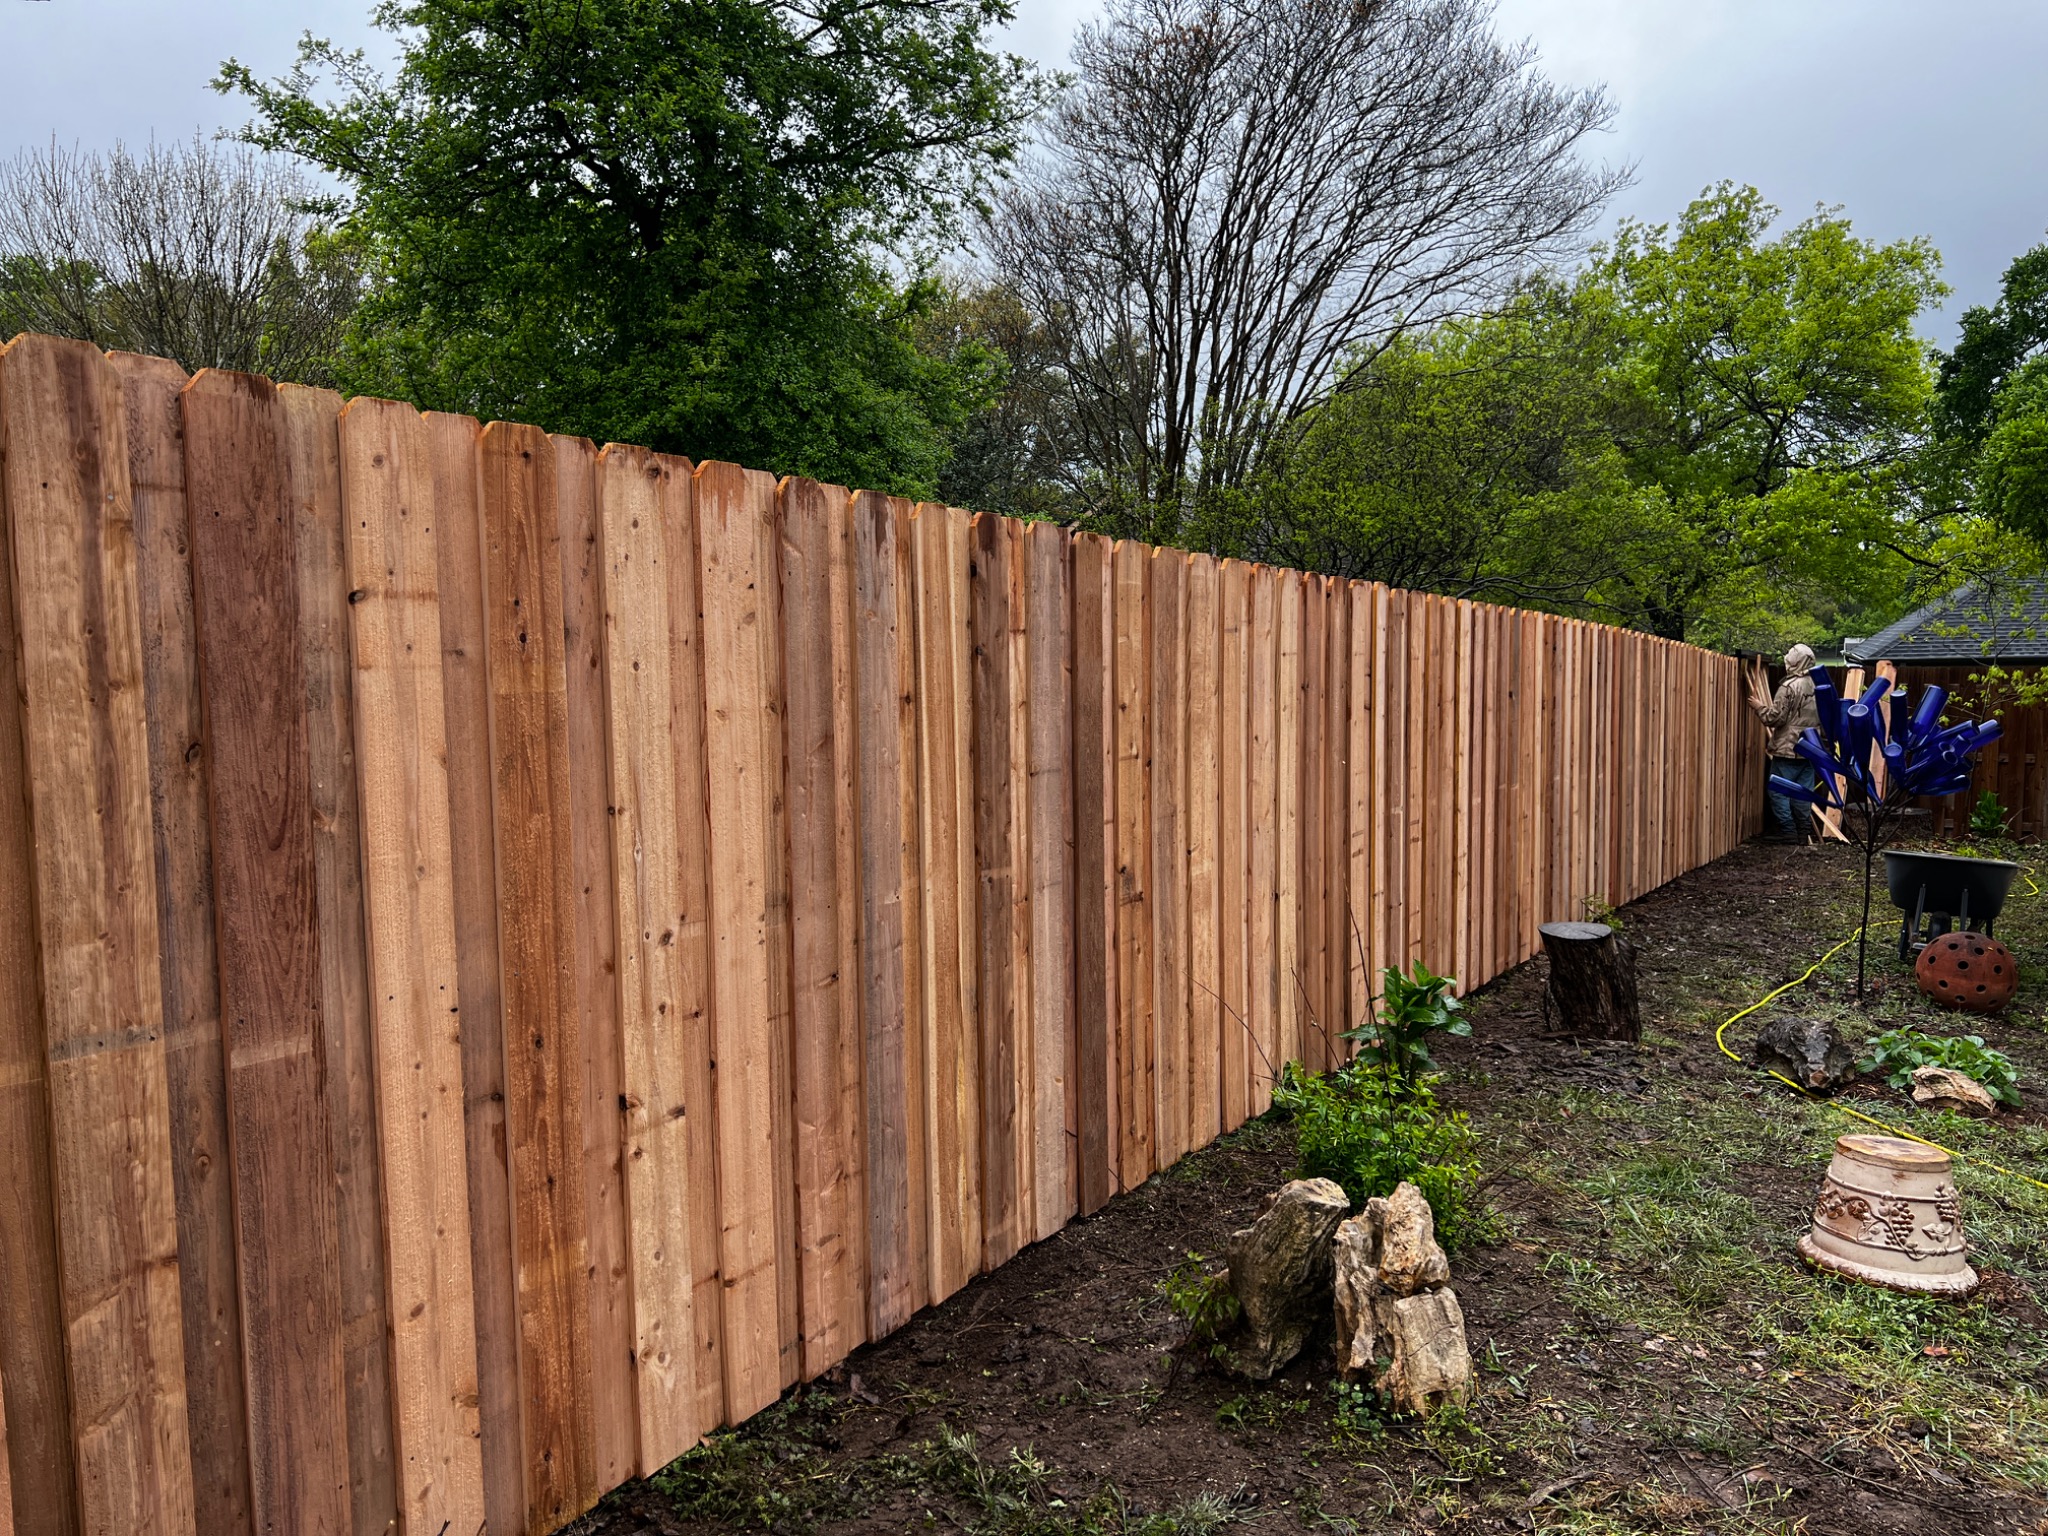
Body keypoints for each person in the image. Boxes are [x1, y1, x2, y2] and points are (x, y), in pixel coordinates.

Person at [1754, 643, 1822, 844]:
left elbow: (1776, 718)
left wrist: (1759, 707)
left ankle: (1788, 832)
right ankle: (1803, 833)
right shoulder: (1818, 686)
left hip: (1788, 749)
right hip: (1811, 749)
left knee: (1778, 791)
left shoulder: (1789, 687)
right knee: (1803, 793)